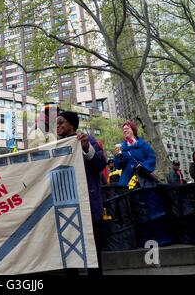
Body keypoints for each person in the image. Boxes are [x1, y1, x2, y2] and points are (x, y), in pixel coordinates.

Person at [57, 111, 107, 274]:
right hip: (66, 208)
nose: (58, 125)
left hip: (89, 206)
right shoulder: (54, 146)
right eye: (56, 123)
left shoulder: (88, 140)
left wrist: (87, 148)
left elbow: (100, 164)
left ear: (72, 125)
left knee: (93, 251)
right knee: (69, 253)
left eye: (61, 122)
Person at [114, 121, 156, 188]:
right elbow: (118, 166)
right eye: (123, 129)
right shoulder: (121, 147)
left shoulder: (144, 145)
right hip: (126, 180)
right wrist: (118, 156)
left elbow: (152, 159)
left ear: (133, 130)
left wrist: (142, 165)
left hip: (143, 179)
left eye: (127, 128)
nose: (124, 131)